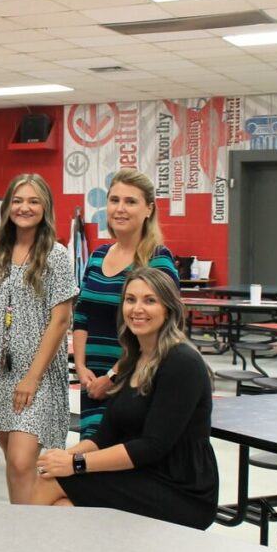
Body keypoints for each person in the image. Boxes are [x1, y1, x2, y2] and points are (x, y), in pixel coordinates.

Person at [31, 267, 219, 530]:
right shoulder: (133, 360)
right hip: (142, 476)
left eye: (149, 300)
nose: (137, 309)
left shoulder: (181, 362)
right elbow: (104, 437)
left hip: (180, 490)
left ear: (168, 309)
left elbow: (152, 447)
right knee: (62, 504)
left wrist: (75, 464)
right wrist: (62, 457)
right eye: (130, 300)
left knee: (54, 483)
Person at [0, 174, 76, 504]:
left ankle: (27, 534)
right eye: (18, 201)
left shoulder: (56, 255)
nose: (25, 207)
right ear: (7, 206)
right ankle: (29, 526)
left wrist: (32, 378)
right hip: (1, 375)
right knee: (18, 466)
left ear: (45, 207)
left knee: (22, 461)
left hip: (36, 375)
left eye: (33, 201)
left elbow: (60, 320)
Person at [73, 169, 179, 439]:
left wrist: (112, 376)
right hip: (91, 381)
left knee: (112, 460)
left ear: (148, 209)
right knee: (92, 458)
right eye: (114, 200)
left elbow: (165, 328)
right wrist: (82, 367)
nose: (120, 209)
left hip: (134, 380)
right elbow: (83, 315)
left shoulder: (157, 261)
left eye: (130, 202)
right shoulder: (97, 256)